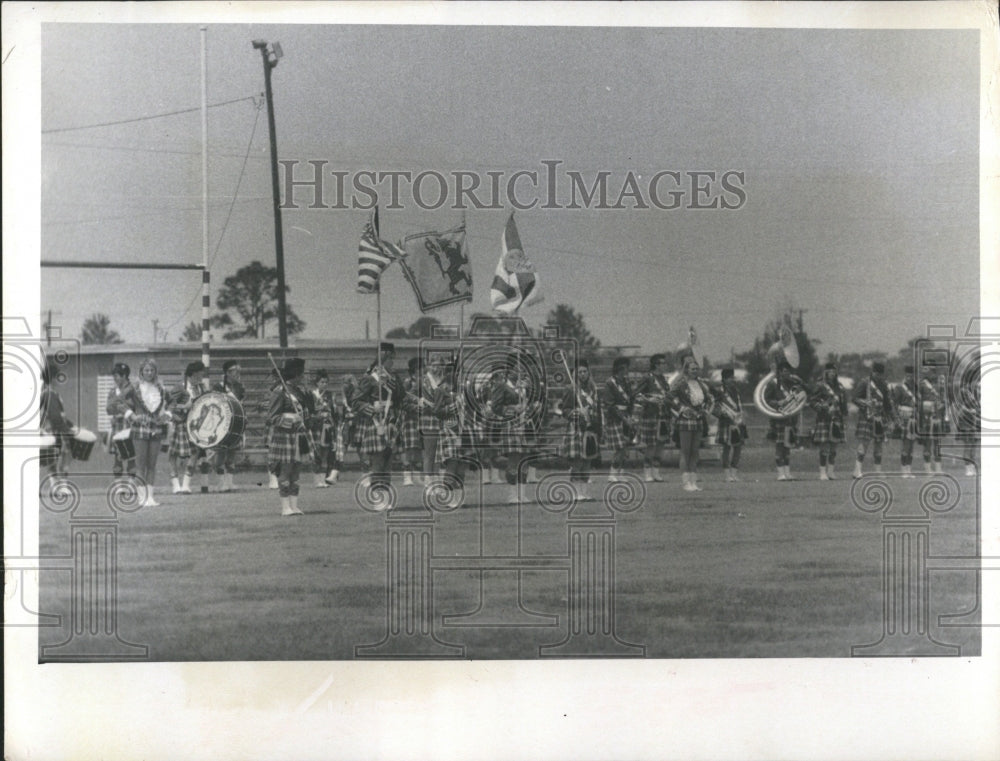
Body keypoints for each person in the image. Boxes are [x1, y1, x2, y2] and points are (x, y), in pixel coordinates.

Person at [352, 342, 407, 496]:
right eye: (390, 359)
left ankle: (386, 495)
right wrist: (372, 408)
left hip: (391, 422)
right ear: (382, 359)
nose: (392, 363)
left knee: (388, 463)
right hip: (375, 421)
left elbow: (401, 397)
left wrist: (391, 382)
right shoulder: (369, 378)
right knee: (377, 462)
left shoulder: (394, 377)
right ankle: (377, 497)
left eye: (393, 359)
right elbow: (355, 401)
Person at [268, 357, 315, 516]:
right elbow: (272, 417)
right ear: (296, 374)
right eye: (301, 374)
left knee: (296, 472)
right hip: (284, 436)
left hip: (298, 435)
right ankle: (285, 507)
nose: (303, 377)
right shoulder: (280, 391)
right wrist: (289, 419)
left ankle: (294, 506)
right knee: (286, 471)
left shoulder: (299, 391)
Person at [555, 359, 601, 501]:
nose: (582, 374)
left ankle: (585, 492)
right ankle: (576, 493)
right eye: (579, 372)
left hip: (590, 428)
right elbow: (564, 410)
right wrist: (577, 412)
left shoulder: (592, 389)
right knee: (578, 462)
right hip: (576, 429)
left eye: (584, 371)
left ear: (588, 373)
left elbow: (597, 408)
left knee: (587, 461)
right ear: (575, 374)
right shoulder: (571, 389)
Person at [128, 358, 171, 507]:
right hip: (139, 428)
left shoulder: (161, 388)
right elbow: (118, 402)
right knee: (140, 465)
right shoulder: (134, 387)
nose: (149, 373)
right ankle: (141, 498)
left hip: (156, 428)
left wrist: (168, 415)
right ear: (141, 372)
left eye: (152, 370)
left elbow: (172, 402)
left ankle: (150, 498)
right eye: (146, 370)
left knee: (152, 465)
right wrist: (132, 415)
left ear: (155, 372)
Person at [488, 358, 531, 504]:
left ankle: (522, 494)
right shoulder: (503, 385)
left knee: (524, 460)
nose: (521, 372)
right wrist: (511, 409)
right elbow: (495, 406)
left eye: (523, 369)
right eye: (518, 369)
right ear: (510, 370)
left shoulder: (524, 386)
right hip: (511, 425)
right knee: (514, 459)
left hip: (524, 425)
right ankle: (512, 495)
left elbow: (527, 405)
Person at [670, 353, 714, 491]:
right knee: (685, 451)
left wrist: (706, 410)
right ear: (686, 370)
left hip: (698, 420)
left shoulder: (701, 384)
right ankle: (686, 482)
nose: (695, 371)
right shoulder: (681, 383)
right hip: (686, 420)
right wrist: (682, 409)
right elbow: (669, 397)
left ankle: (693, 481)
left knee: (695, 451)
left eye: (696, 369)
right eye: (692, 369)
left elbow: (709, 399)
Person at [167, 361, 209, 495]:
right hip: (180, 424)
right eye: (200, 374)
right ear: (194, 374)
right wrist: (183, 408)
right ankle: (175, 485)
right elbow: (169, 406)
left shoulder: (202, 388)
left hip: (195, 426)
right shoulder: (180, 387)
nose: (202, 376)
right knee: (173, 454)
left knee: (195, 453)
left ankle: (186, 485)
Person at [764, 360, 806, 481]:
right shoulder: (773, 384)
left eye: (788, 372)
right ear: (779, 372)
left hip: (791, 419)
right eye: (784, 372)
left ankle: (787, 473)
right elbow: (766, 400)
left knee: (788, 447)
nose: (786, 374)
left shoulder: (792, 384)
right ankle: (780, 473)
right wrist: (778, 403)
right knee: (779, 446)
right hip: (779, 419)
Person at [852, 361, 894, 478]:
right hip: (867, 416)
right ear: (873, 372)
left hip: (879, 418)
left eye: (880, 374)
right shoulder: (865, 383)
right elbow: (855, 398)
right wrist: (866, 403)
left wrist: (890, 418)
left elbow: (887, 403)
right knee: (864, 444)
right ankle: (857, 470)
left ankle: (878, 471)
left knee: (879, 445)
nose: (878, 376)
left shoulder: (884, 384)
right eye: (877, 374)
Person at [634, 354, 671, 482]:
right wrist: (649, 400)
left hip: (663, 415)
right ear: (656, 364)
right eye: (662, 363)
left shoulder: (663, 379)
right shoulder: (647, 378)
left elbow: (667, 394)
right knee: (651, 445)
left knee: (661, 444)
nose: (665, 365)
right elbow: (637, 395)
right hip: (650, 414)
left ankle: (656, 471)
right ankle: (647, 471)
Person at [809, 362, 848, 480]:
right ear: (826, 373)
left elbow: (843, 405)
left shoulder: (840, 387)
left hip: (837, 419)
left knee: (834, 447)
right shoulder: (820, 385)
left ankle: (831, 471)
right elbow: (812, 401)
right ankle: (822, 472)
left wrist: (844, 417)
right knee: (824, 447)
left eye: (834, 371)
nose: (832, 374)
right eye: (830, 372)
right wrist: (822, 407)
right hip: (824, 419)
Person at [212, 359, 246, 493]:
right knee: (221, 452)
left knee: (232, 452)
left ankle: (229, 482)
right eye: (233, 371)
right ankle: (220, 483)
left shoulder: (239, 387)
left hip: (235, 423)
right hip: (222, 423)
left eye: (238, 371)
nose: (236, 374)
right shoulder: (218, 387)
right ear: (226, 373)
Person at [40, 360, 73, 488]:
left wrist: (70, 425)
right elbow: (55, 417)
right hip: (55, 431)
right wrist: (67, 429)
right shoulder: (50, 394)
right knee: (64, 457)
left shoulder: (45, 393)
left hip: (48, 431)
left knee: (52, 461)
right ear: (52, 378)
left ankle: (56, 486)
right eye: (57, 376)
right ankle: (62, 486)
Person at [602, 357, 635, 483]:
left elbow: (630, 399)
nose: (627, 370)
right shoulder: (610, 383)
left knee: (625, 446)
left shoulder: (626, 382)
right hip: (615, 418)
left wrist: (630, 416)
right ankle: (612, 472)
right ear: (620, 368)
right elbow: (609, 404)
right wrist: (623, 418)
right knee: (620, 447)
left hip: (626, 416)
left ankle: (620, 472)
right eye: (625, 367)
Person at [712, 367, 747, 482]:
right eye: (730, 378)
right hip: (726, 422)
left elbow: (738, 405)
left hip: (738, 421)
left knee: (738, 448)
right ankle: (727, 475)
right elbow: (714, 407)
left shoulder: (736, 391)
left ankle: (734, 473)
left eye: (733, 377)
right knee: (726, 448)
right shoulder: (719, 391)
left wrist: (741, 416)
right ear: (724, 379)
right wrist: (722, 414)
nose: (732, 380)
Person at [105, 362, 137, 479]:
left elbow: (134, 406)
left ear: (124, 376)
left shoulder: (133, 389)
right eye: (114, 376)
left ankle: (131, 484)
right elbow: (108, 409)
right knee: (117, 458)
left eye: (117, 375)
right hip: (117, 425)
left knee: (131, 457)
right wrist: (119, 404)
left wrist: (120, 405)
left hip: (129, 425)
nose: (115, 378)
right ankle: (119, 486)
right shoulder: (113, 391)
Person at [916, 365, 947, 474]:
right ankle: (928, 469)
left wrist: (942, 405)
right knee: (927, 443)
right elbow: (917, 400)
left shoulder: (940, 384)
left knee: (937, 443)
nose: (925, 373)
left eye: (927, 370)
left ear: (933, 371)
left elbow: (945, 399)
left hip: (937, 416)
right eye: (924, 370)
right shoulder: (921, 384)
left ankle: (938, 468)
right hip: (926, 417)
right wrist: (925, 405)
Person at [891, 365, 920, 478]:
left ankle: (909, 469)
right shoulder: (900, 388)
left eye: (911, 375)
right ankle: (903, 470)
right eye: (908, 375)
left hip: (914, 417)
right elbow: (894, 404)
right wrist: (897, 418)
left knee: (912, 446)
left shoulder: (916, 388)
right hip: (904, 417)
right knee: (905, 445)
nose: (910, 377)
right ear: (905, 375)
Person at [309, 369, 336, 489]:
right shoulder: (311, 395)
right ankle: (316, 480)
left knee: (325, 453)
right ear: (317, 383)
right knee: (317, 454)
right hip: (316, 428)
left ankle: (323, 479)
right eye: (322, 382)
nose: (324, 384)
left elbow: (334, 411)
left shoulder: (330, 395)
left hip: (327, 427)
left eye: (326, 382)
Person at [400, 357, 424, 486]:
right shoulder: (407, 384)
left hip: (422, 420)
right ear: (413, 372)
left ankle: (417, 476)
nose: (422, 374)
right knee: (408, 447)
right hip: (409, 419)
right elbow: (403, 402)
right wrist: (416, 407)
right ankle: (407, 476)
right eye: (419, 372)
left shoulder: (426, 384)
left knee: (419, 448)